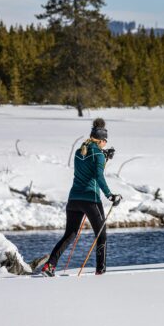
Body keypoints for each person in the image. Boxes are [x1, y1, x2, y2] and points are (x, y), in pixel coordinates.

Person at [41, 118, 121, 276]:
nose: (105, 144)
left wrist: (104, 157)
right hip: (90, 199)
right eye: (105, 141)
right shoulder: (97, 154)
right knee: (101, 234)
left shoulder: (80, 151)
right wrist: (110, 195)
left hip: (74, 200)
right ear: (101, 140)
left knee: (70, 234)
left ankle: (50, 266)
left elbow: (88, 166)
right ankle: (100, 271)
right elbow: (98, 175)